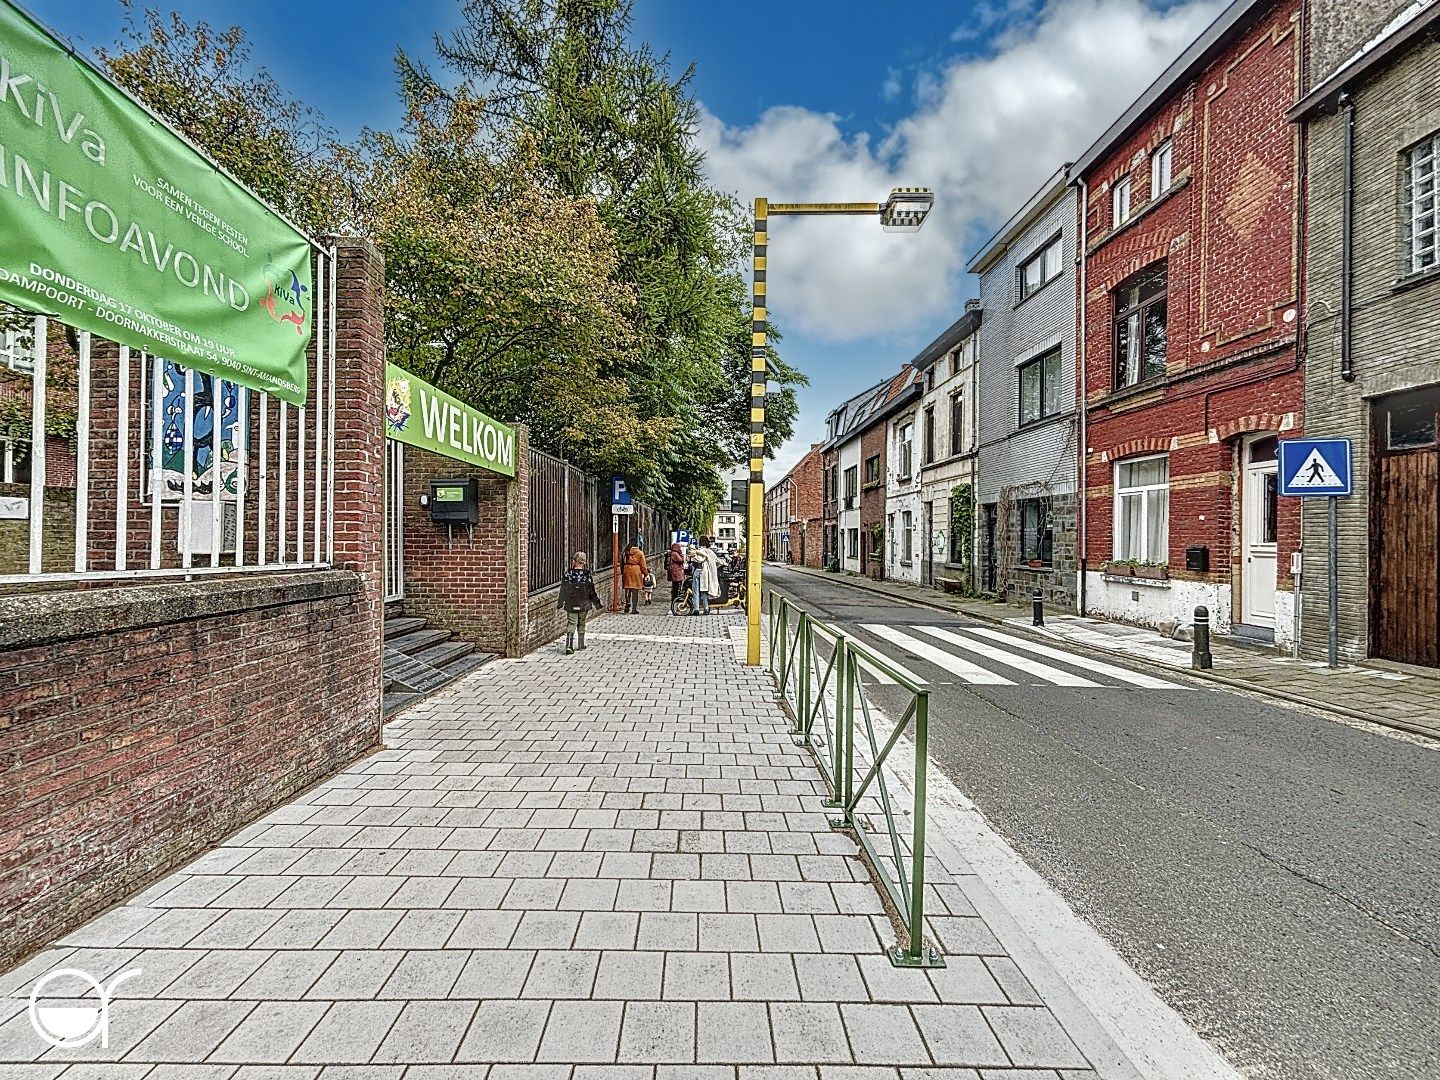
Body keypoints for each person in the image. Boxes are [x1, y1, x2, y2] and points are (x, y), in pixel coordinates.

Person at [556, 551, 603, 654]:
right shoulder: (587, 575)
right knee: (581, 623)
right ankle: (581, 644)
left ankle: (569, 646)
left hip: (571, 603)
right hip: (584, 603)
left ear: (573, 561)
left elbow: (563, 590)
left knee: (571, 623)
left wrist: (560, 603)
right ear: (584, 563)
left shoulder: (568, 574)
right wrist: (597, 603)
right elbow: (591, 591)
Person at [691, 537, 721, 616]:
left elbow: (697, 560)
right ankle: (706, 609)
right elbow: (717, 561)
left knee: (696, 591)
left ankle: (696, 610)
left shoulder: (699, 551)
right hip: (706, 574)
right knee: (704, 591)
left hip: (697, 571)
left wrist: (694, 554)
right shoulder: (710, 552)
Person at [621, 543, 647, 614]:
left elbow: (621, 563)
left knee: (627, 588)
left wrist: (622, 571)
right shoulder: (640, 553)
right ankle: (634, 609)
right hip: (636, 571)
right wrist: (646, 574)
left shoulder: (625, 552)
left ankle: (627, 603)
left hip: (626, 570)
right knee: (635, 590)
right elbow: (643, 565)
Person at [666, 542, 687, 613]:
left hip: (674, 571)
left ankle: (675, 596)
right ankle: (675, 597)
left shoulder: (672, 553)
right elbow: (681, 560)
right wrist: (682, 555)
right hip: (676, 571)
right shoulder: (675, 553)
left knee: (675, 584)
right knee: (676, 585)